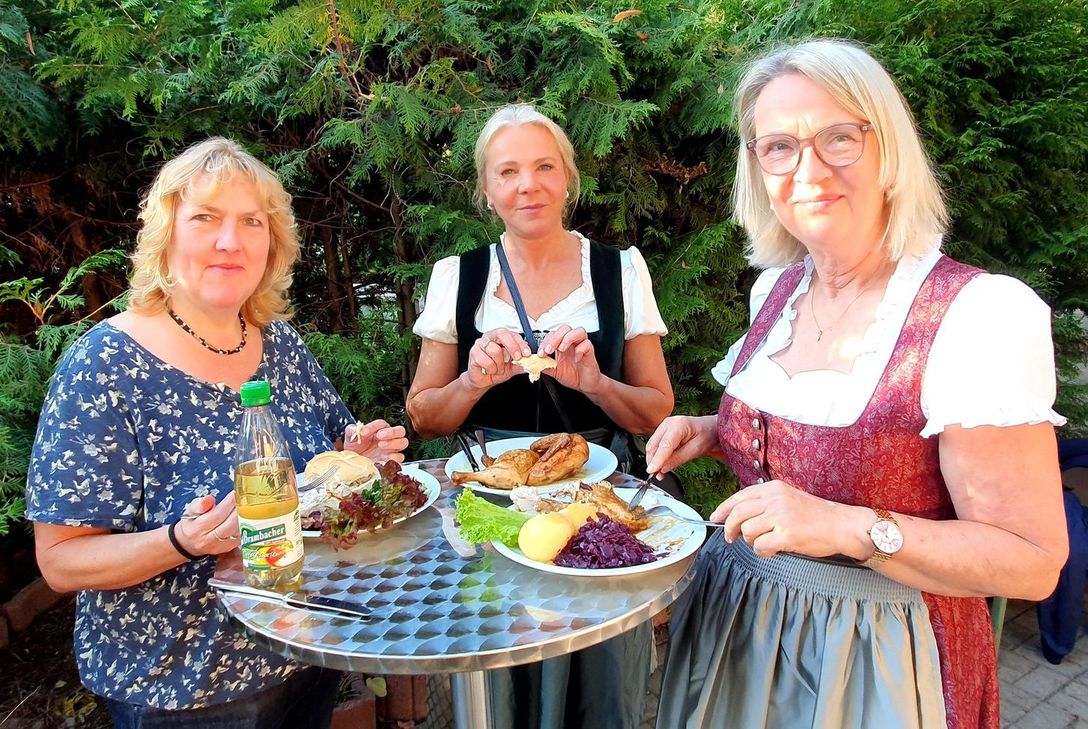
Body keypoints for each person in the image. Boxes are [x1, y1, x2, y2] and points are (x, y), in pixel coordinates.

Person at [646, 40, 1068, 729]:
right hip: (738, 631)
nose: (808, 170)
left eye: (838, 137)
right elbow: (823, 442)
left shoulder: (978, 313)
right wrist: (717, 431)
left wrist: (849, 526)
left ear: (889, 150)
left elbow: (1032, 561)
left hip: (880, 661)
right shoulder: (777, 291)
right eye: (779, 147)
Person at [26, 137, 409, 728]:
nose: (231, 241)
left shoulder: (279, 343)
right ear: (167, 235)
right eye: (206, 217)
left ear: (271, 244)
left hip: (306, 652)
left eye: (251, 221)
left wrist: (356, 454)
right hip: (185, 689)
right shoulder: (105, 365)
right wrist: (181, 541)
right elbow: (61, 560)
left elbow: (321, 466)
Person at [406, 104, 674, 728]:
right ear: (487, 190)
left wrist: (596, 383)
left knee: (599, 680)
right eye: (508, 172)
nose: (527, 184)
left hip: (595, 508)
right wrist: (472, 382)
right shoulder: (458, 276)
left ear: (568, 178)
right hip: (489, 512)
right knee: (498, 682)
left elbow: (653, 411)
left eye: (544, 167)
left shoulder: (620, 270)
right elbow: (425, 418)